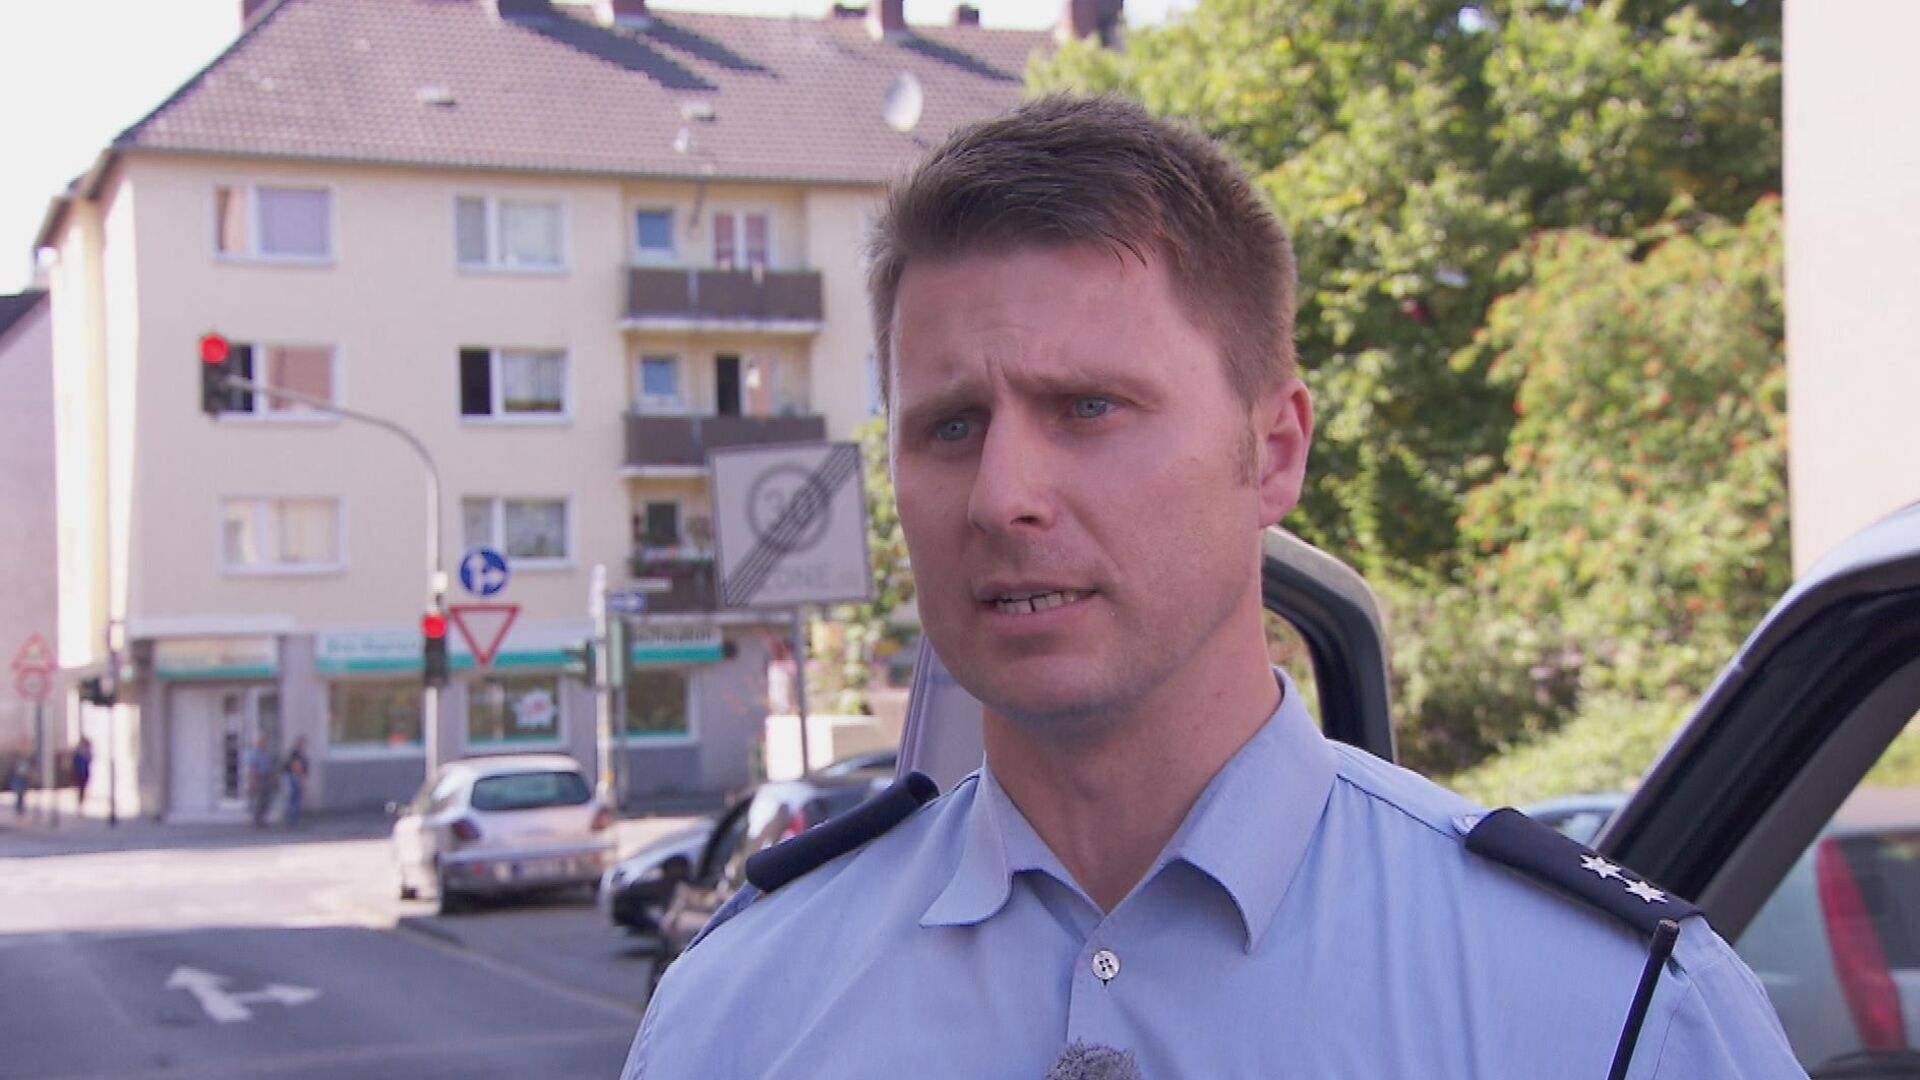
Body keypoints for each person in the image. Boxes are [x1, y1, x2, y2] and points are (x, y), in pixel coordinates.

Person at [623, 95, 1805, 1078]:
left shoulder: (1610, 1016)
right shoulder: (740, 1014)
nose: (1001, 495)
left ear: (1274, 451)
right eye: (951, 426)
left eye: (1089, 407)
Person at [245, 734, 276, 828]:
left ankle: (263, 818)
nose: (264, 744)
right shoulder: (255, 754)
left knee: (267, 799)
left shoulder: (266, 753)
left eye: (264, 742)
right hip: (259, 778)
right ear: (257, 743)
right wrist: (253, 780)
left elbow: (270, 767)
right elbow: (252, 767)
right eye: (261, 742)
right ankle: (257, 819)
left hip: (267, 777)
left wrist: (272, 778)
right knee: (259, 799)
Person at [281, 735, 309, 828]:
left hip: (294, 777)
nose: (303, 745)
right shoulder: (295, 753)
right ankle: (292, 820)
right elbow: (296, 766)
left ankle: (292, 820)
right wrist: (300, 779)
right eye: (301, 743)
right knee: (295, 799)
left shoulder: (298, 753)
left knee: (295, 799)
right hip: (294, 777)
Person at [71, 736, 93, 814]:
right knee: (81, 789)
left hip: (83, 773)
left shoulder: (82, 752)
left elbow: (89, 761)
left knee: (82, 789)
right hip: (81, 773)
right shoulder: (81, 752)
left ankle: (80, 804)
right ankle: (80, 804)